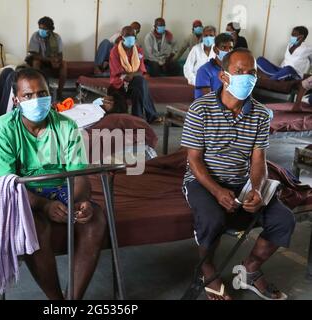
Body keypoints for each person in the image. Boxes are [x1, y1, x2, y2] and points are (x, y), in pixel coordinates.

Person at [181, 48, 295, 300]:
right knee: (212, 219)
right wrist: (217, 190)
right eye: (239, 71)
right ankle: (207, 270)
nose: (247, 77)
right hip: (203, 180)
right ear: (224, 77)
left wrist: (255, 189)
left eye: (251, 72)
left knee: (283, 219)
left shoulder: (261, 114)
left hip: (242, 181)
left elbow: (258, 160)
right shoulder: (200, 109)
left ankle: (250, 269)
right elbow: (194, 160)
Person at [0, 67, 107, 300]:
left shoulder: (66, 126)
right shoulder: (1, 129)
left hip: (59, 188)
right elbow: (8, 183)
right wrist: (43, 206)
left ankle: (73, 300)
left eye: (42, 93)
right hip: (16, 193)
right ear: (16, 100)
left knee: (95, 220)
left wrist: (80, 201)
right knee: (36, 227)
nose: (36, 100)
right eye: (28, 96)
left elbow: (79, 175)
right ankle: (56, 300)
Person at [109, 26, 162, 123]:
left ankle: (138, 117)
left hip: (134, 81)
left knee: (139, 85)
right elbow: (119, 72)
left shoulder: (138, 50)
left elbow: (141, 70)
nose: (131, 38)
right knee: (141, 83)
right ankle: (147, 116)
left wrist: (132, 75)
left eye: (133, 35)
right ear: (122, 37)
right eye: (128, 35)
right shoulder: (115, 51)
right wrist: (133, 74)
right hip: (119, 83)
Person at [26, 16, 67, 101]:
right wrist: (50, 60)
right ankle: (37, 90)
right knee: (36, 62)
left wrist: (57, 61)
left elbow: (60, 54)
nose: (41, 30)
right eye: (40, 28)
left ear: (50, 29)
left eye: (43, 28)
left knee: (64, 64)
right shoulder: (36, 36)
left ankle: (60, 93)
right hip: (40, 59)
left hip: (51, 60)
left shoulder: (56, 37)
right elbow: (34, 55)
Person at [194, 33, 234, 99]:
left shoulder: (232, 70)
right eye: (224, 48)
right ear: (215, 50)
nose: (228, 51)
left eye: (230, 48)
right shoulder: (204, 71)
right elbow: (208, 99)